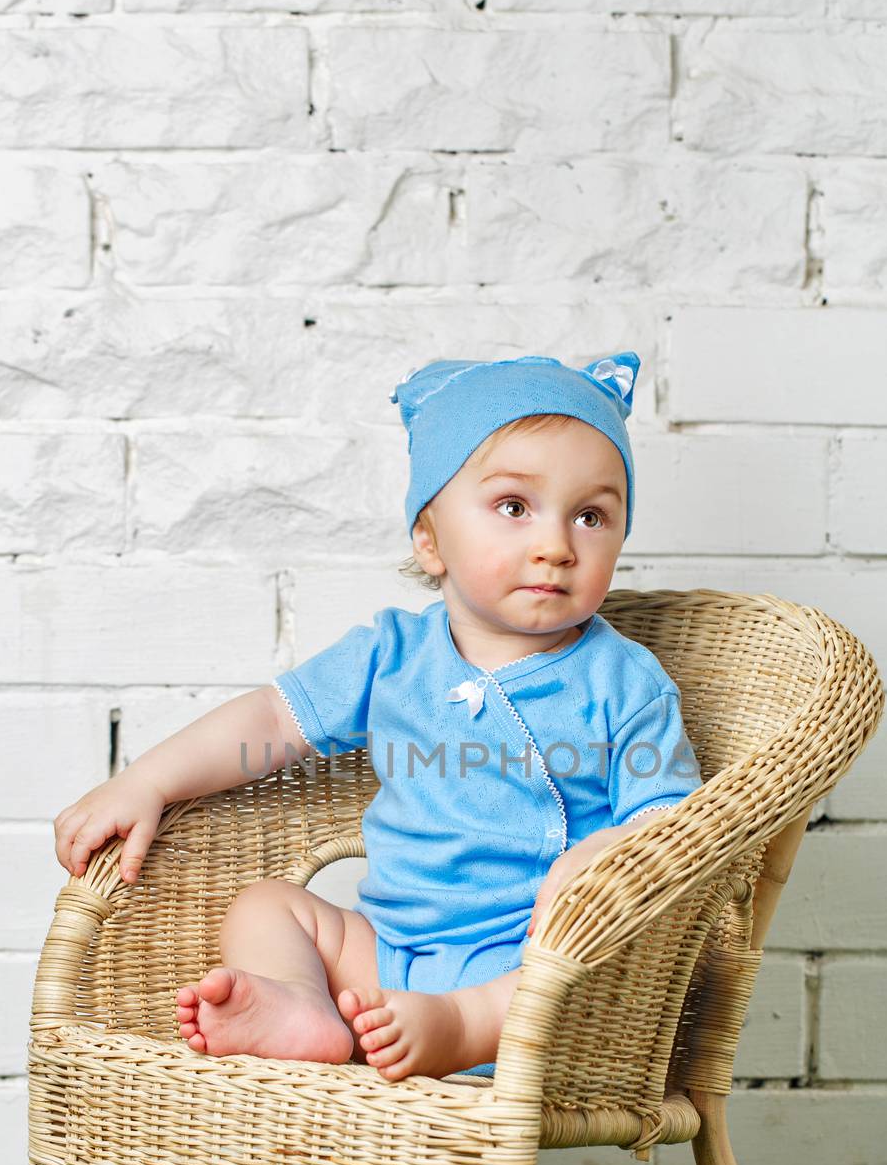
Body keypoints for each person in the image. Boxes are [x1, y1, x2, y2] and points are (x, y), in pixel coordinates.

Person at [52, 351, 703, 1082]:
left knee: (586, 956)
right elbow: (271, 719)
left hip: (532, 965)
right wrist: (147, 781)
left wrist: (609, 851)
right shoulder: (394, 654)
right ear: (430, 540)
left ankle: (465, 1025)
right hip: (390, 954)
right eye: (513, 508)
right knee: (267, 907)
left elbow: (673, 819)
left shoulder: (622, 682)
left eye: (590, 516)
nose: (554, 546)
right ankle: (305, 1009)